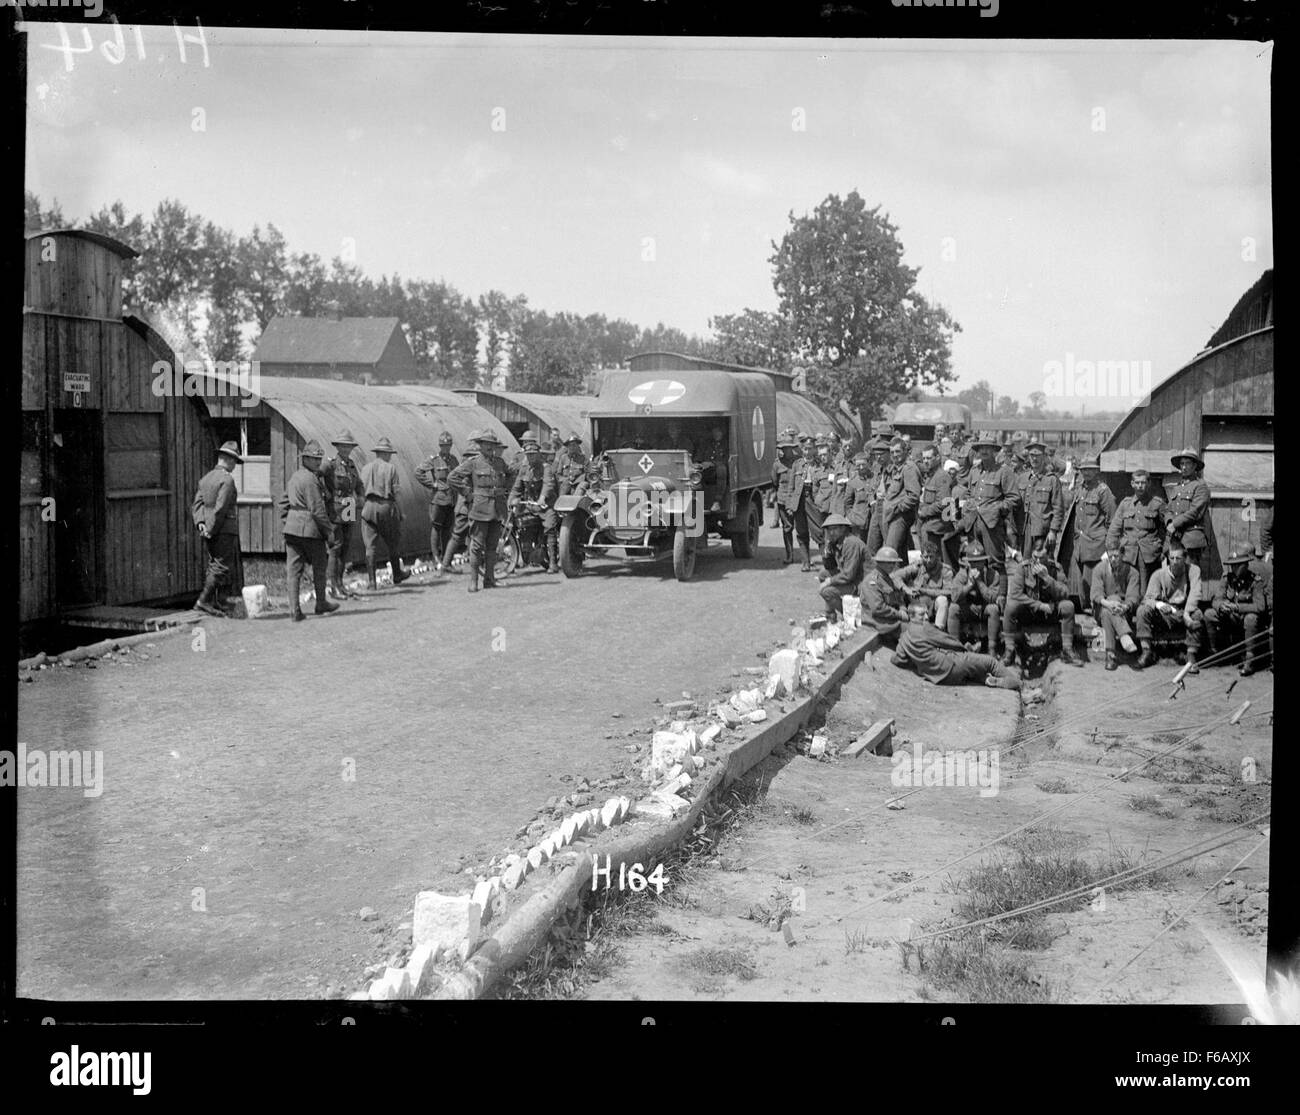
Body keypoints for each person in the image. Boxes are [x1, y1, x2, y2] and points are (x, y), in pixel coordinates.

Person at [892, 601, 1022, 689]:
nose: (926, 617)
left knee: (973, 669)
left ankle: (986, 679)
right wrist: (965, 649)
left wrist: (920, 665)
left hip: (938, 678)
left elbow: (898, 660)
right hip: (950, 666)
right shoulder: (925, 627)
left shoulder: (904, 637)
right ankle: (1018, 684)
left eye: (926, 613)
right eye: (921, 615)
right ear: (911, 616)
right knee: (990, 662)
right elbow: (948, 641)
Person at [278, 440, 340, 622]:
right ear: (304, 459)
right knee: (320, 566)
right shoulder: (311, 480)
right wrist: (329, 532)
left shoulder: (295, 477)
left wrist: (288, 522)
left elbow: (283, 502)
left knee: (293, 570)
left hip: (292, 529)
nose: (317, 462)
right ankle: (321, 603)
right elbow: (317, 509)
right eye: (313, 459)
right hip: (310, 529)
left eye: (318, 458)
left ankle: (294, 610)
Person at [448, 428, 516, 592]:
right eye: (486, 444)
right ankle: (473, 582)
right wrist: (467, 493)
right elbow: (452, 478)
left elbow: (511, 474)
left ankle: (489, 580)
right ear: (480, 445)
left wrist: (505, 490)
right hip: (479, 509)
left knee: (493, 546)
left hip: (497, 510)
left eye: (492, 444)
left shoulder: (499, 462)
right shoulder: (473, 463)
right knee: (477, 547)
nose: (489, 447)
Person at [1004, 537, 1080, 667]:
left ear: (1049, 555)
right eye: (1035, 557)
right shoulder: (1023, 567)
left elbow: (1065, 593)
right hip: (1029, 613)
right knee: (1010, 606)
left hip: (1049, 613)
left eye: (1042, 558)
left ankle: (1067, 649)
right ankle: (1009, 650)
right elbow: (1015, 594)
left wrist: (1047, 578)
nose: (1038, 561)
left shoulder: (1055, 568)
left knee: (1068, 606)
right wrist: (1040, 605)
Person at [192, 440, 245, 617]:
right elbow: (221, 508)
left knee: (213, 563)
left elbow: (197, 504)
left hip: (208, 527)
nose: (235, 466)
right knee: (221, 565)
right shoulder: (227, 479)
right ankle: (204, 601)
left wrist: (201, 523)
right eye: (235, 462)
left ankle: (214, 601)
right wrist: (212, 529)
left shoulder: (206, 478)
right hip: (223, 528)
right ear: (228, 460)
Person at [1134, 544, 1204, 671]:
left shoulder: (1193, 570)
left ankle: (1191, 656)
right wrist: (1160, 605)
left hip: (1183, 611)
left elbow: (1195, 593)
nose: (1175, 562)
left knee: (1197, 614)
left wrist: (1187, 613)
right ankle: (1146, 651)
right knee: (1142, 610)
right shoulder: (1159, 574)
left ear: (1185, 558)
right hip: (1164, 614)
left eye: (1178, 558)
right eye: (1172, 558)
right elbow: (1148, 598)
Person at [959, 435, 1021, 569]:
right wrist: (967, 508)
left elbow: (1014, 498)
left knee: (995, 563)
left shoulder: (1004, 471)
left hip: (992, 525)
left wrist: (997, 509)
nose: (984, 451)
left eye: (988, 448)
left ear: (994, 451)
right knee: (975, 562)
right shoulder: (974, 471)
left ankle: (998, 591)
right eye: (981, 448)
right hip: (973, 523)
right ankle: (981, 590)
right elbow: (969, 493)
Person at [1204, 549, 1268, 676]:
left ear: (1245, 565)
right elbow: (1216, 600)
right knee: (1209, 614)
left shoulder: (1255, 580)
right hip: (1230, 617)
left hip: (1246, 618)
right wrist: (1221, 606)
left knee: (1251, 618)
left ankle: (1250, 660)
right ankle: (1215, 652)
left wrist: (1237, 607)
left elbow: (1260, 606)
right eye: (1232, 565)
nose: (1234, 568)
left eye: (1237, 565)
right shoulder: (1227, 578)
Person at [318, 430, 365, 600]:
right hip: (336, 507)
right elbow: (316, 476)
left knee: (345, 547)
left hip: (349, 506)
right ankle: (333, 586)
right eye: (343, 446)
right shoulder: (330, 464)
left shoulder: (351, 465)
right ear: (337, 447)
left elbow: (358, 484)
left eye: (349, 446)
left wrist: (360, 496)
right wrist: (325, 494)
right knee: (335, 547)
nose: (346, 449)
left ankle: (340, 583)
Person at [358, 436, 409, 589]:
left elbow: (359, 491)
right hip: (386, 506)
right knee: (393, 543)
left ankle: (372, 581)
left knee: (370, 546)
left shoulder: (365, 468)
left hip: (368, 506)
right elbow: (397, 492)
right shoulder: (390, 468)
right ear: (386, 454)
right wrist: (401, 512)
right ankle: (397, 575)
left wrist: (363, 506)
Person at [1106, 469, 1167, 594]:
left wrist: (1163, 550)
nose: (1140, 486)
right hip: (1128, 553)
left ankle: (1145, 610)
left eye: (1143, 482)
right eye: (1137, 482)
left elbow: (1168, 530)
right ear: (1132, 484)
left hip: (1150, 555)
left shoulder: (1157, 504)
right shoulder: (1125, 504)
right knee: (1128, 587)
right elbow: (1114, 529)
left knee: (1148, 590)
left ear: (1149, 484)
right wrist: (1111, 551)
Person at [1070, 456, 1116, 610]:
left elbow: (1112, 519)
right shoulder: (1081, 488)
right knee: (1081, 583)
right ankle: (1086, 611)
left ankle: (1094, 613)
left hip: (1096, 545)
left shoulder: (1103, 491)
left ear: (1096, 471)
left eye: (1090, 470)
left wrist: (1108, 544)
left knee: (1093, 583)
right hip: (1081, 543)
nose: (1086, 473)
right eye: (1084, 470)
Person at [947, 541, 1005, 656]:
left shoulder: (993, 574)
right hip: (968, 608)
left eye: (979, 562)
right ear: (968, 563)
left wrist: (979, 582)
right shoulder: (962, 574)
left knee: (993, 609)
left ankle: (991, 648)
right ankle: (954, 648)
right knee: (953, 608)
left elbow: (992, 598)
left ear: (984, 561)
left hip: (984, 608)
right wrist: (969, 585)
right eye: (973, 563)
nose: (976, 566)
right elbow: (954, 597)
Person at [415, 431, 459, 572]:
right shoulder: (434, 460)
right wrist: (431, 484)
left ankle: (446, 561)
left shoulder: (453, 460)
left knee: (448, 531)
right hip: (438, 500)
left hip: (451, 500)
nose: (446, 447)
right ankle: (436, 558)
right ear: (440, 446)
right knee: (436, 528)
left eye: (448, 445)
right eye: (443, 445)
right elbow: (418, 472)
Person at [1091, 549, 1141, 670]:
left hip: (1123, 612)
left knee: (1108, 611)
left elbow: (1133, 597)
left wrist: (1125, 606)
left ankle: (1110, 655)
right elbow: (1096, 594)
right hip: (1101, 608)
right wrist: (1108, 604)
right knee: (1109, 605)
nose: (1113, 559)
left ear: (1123, 555)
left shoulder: (1132, 572)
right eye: (1110, 556)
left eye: (1116, 556)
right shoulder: (1099, 569)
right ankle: (1124, 636)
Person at [1165, 447, 1211, 575]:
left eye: (1188, 463)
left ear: (1195, 466)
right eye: (1182, 464)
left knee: (1191, 576)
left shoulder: (1200, 486)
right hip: (1175, 539)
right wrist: (1169, 521)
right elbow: (1168, 509)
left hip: (1191, 539)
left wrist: (1174, 524)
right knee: (1175, 575)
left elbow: (1195, 511)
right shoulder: (1177, 487)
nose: (1184, 467)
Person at [508, 432, 550, 571]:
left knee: (550, 526)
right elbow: (517, 487)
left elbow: (547, 485)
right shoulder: (524, 468)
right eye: (528, 454)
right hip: (531, 505)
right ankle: (524, 555)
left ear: (538, 454)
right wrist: (511, 501)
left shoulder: (545, 467)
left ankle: (554, 563)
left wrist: (542, 498)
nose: (530, 457)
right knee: (521, 524)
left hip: (546, 505)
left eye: (533, 454)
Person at [895, 539, 956, 631]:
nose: (928, 560)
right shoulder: (917, 567)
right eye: (926, 557)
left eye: (931, 557)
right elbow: (895, 576)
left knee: (943, 600)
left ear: (937, 556)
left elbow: (949, 592)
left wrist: (925, 591)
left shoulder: (945, 570)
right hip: (917, 605)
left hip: (934, 606)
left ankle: (938, 630)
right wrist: (907, 589)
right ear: (921, 556)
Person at [817, 513, 869, 622]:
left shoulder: (851, 543)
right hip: (852, 578)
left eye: (835, 529)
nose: (831, 532)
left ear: (843, 528)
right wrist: (827, 551)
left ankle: (847, 614)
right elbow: (830, 567)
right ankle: (830, 615)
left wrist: (829, 581)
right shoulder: (836, 542)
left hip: (861, 583)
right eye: (829, 530)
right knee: (823, 574)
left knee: (826, 592)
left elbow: (848, 575)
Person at [916, 443, 959, 570]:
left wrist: (924, 512)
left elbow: (944, 503)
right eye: (924, 458)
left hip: (937, 527)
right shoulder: (929, 476)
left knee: (935, 563)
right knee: (928, 562)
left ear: (938, 458)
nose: (925, 461)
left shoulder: (942, 476)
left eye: (929, 458)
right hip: (927, 525)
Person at [1021, 440, 1067, 557]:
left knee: (1044, 563)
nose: (1034, 459)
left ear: (1044, 457)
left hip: (1043, 531)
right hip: (1025, 529)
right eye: (1032, 455)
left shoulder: (1051, 479)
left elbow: (1058, 509)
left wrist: (1053, 531)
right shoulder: (1023, 478)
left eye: (1038, 456)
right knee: (1025, 563)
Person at [773, 435, 810, 567]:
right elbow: (774, 482)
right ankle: (789, 555)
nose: (786, 451)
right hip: (783, 499)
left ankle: (805, 559)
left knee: (802, 529)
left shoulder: (799, 462)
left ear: (792, 448)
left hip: (798, 500)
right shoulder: (777, 464)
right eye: (784, 448)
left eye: (788, 448)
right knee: (787, 528)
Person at [859, 545, 909, 644]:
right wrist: (899, 615)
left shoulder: (886, 578)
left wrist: (902, 607)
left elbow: (897, 596)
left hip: (890, 619)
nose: (893, 565)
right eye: (889, 563)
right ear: (880, 563)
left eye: (894, 563)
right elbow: (878, 608)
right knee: (914, 634)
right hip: (879, 623)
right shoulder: (872, 581)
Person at [882, 437, 921, 554]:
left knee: (890, 552)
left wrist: (897, 508)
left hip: (901, 516)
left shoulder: (909, 468)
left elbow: (914, 495)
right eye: (892, 452)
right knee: (900, 553)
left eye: (898, 451)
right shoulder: (896, 468)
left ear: (905, 451)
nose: (894, 455)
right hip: (892, 516)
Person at [843, 452, 874, 544]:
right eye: (858, 465)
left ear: (869, 463)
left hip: (873, 521)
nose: (861, 468)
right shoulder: (853, 482)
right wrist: (853, 518)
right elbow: (847, 503)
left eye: (863, 464)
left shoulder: (875, 478)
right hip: (858, 522)